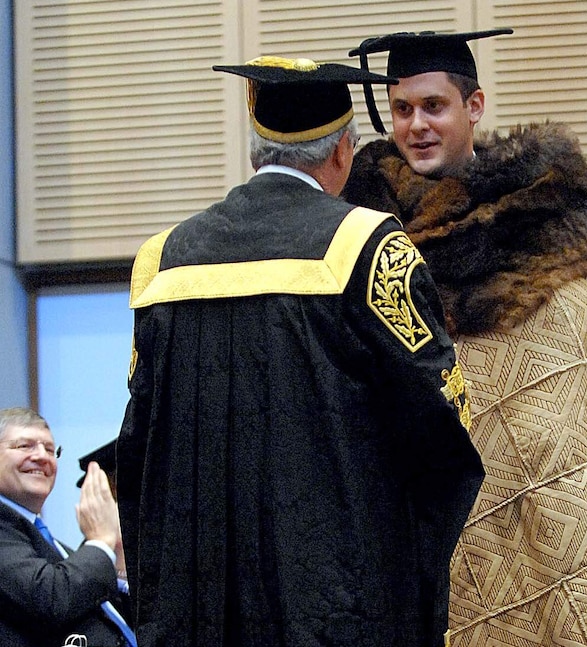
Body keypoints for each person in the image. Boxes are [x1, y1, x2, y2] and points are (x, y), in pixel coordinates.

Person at [116, 56, 484, 647]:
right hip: (332, 610)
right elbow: (441, 428)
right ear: (344, 152)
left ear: (254, 151)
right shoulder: (369, 249)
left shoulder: (163, 260)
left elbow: (136, 449)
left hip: (198, 611)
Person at [342, 30, 587, 646]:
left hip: (538, 529)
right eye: (401, 109)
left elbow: (554, 430)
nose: (416, 125)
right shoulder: (360, 234)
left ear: (474, 107)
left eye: (433, 107)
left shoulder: (545, 218)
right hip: (416, 536)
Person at [0, 407, 133, 647]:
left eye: (50, 449)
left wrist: (118, 555)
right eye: (25, 446)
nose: (43, 456)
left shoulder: (54, 547)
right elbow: (50, 598)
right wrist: (102, 541)